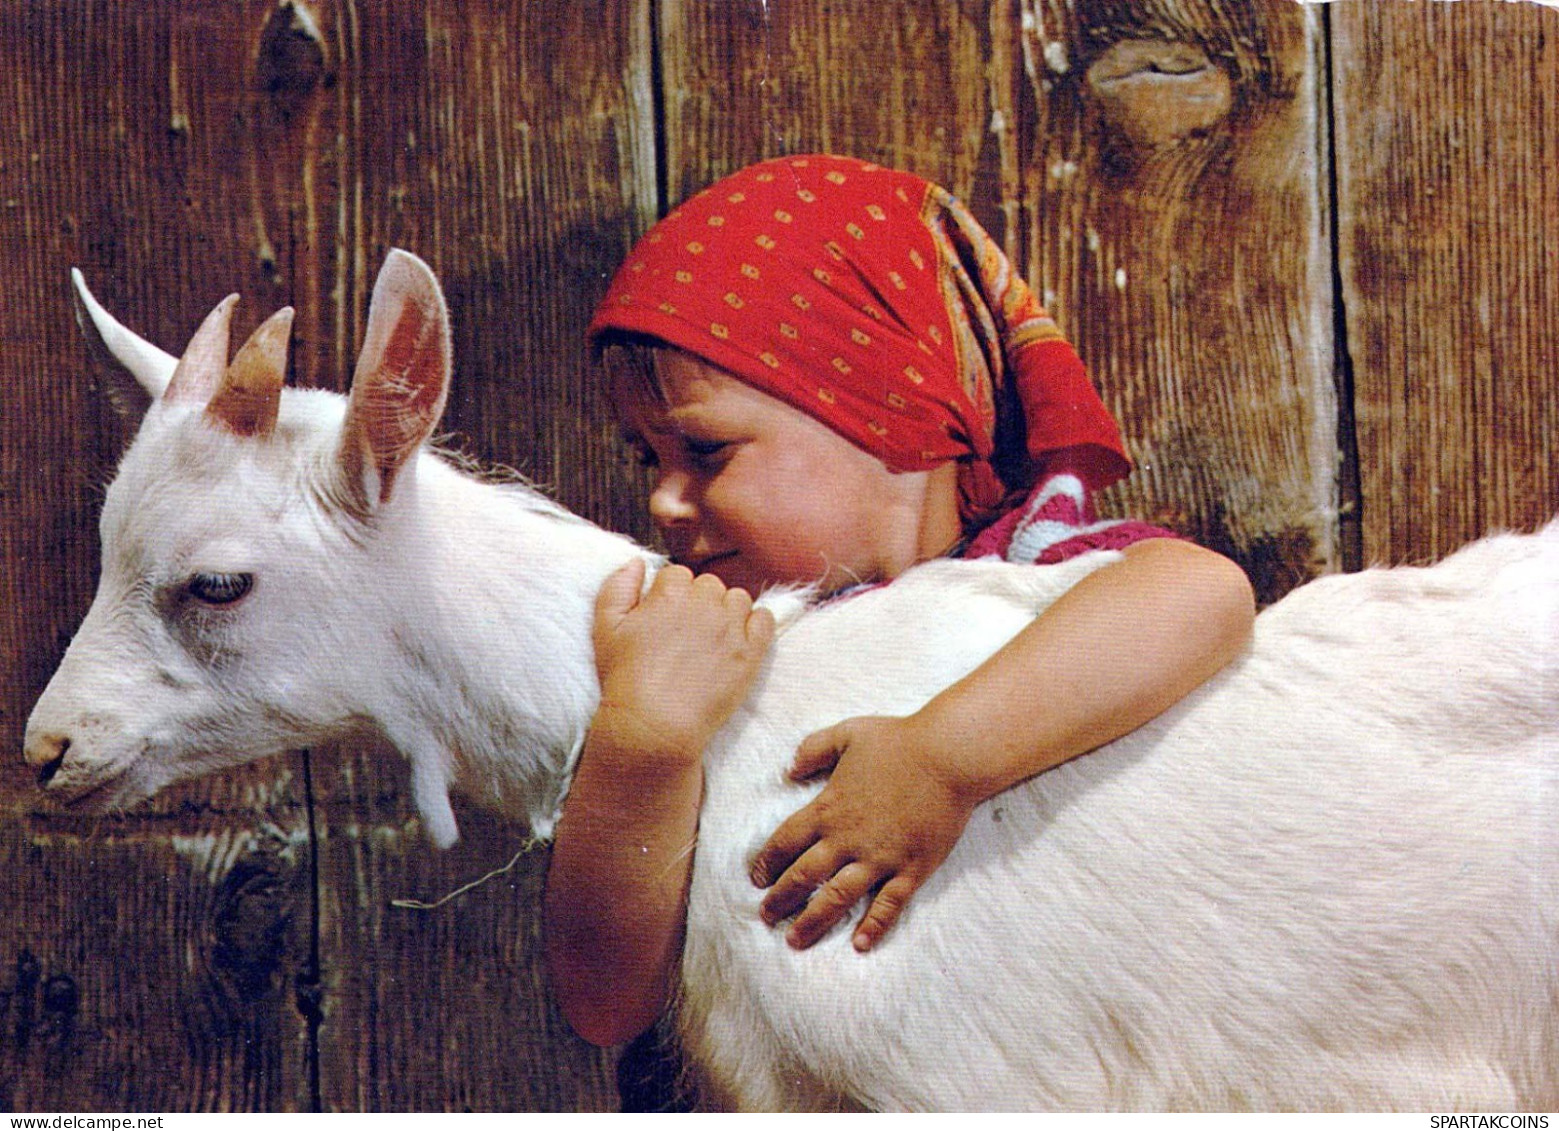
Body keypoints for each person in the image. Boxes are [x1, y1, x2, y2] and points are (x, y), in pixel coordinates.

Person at [545, 154, 1255, 1051]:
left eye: (705, 450)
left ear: (893, 413)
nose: (663, 502)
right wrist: (642, 742)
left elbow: (1205, 592)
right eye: (650, 460)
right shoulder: (704, 656)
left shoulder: (1032, 564)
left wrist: (940, 761)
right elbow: (606, 1005)